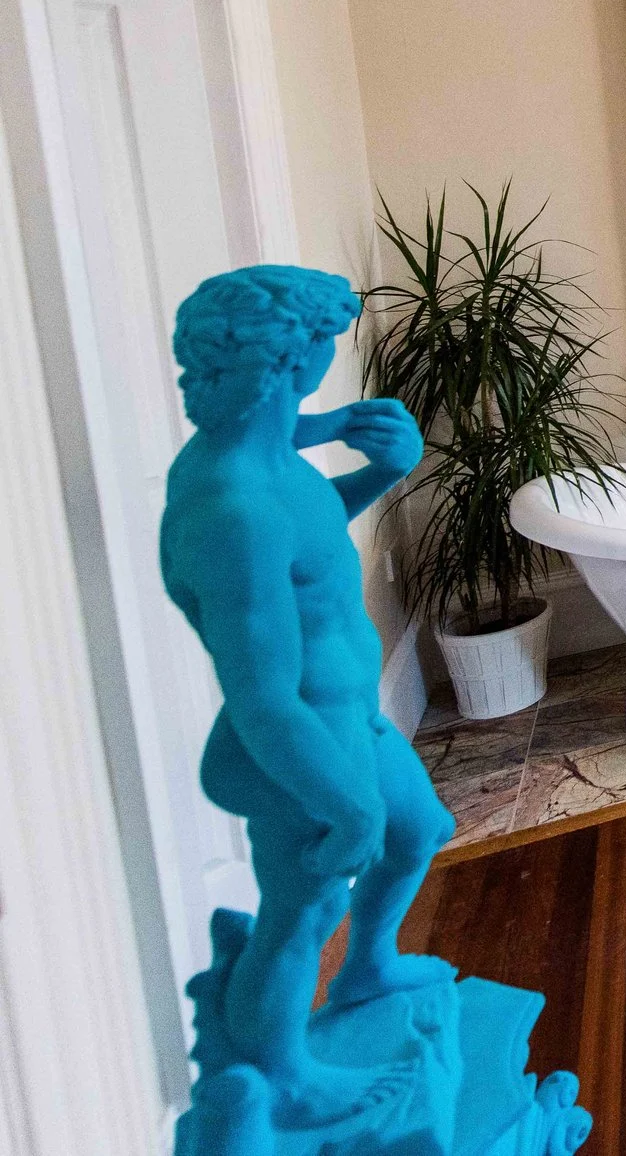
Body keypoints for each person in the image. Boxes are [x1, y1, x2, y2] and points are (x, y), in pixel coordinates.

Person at [160, 266, 450, 1115]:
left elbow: (309, 541)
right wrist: (346, 807)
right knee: (302, 911)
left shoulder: (264, 453)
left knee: (420, 830)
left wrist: (381, 469)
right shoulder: (232, 508)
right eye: (325, 341)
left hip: (350, 718)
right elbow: (263, 698)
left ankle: (368, 969)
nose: (331, 355)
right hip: (301, 744)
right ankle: (284, 1076)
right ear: (289, 357)